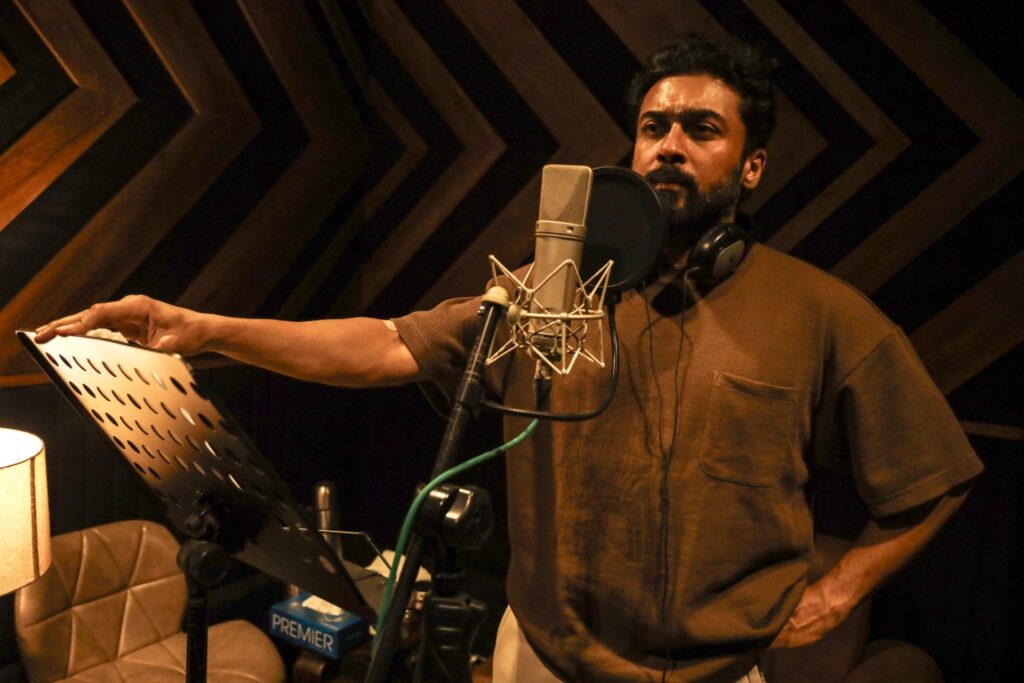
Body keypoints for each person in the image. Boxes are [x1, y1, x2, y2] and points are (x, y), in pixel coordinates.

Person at [36, 34, 981, 683]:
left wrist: (836, 594)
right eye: (654, 127)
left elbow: (935, 477)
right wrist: (199, 327)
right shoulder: (549, 289)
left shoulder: (824, 315)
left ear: (752, 165)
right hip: (538, 655)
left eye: (702, 129)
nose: (669, 147)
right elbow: (384, 344)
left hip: (715, 672)